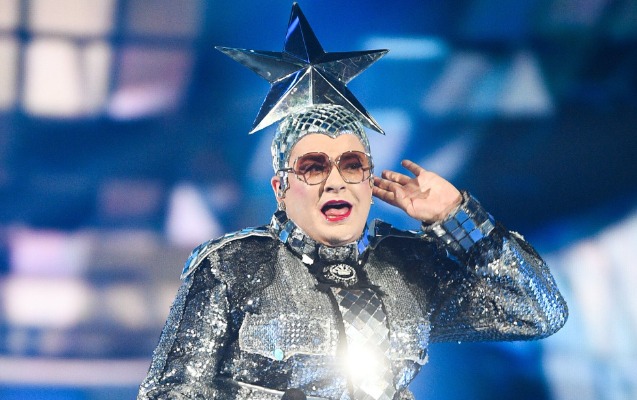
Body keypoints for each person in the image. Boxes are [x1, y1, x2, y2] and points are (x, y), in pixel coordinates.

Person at [138, 5, 567, 400]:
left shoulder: (408, 265)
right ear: (281, 188)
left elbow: (536, 313)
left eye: (351, 165)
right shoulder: (232, 265)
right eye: (313, 167)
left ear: (369, 179)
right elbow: (169, 394)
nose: (335, 183)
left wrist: (458, 217)